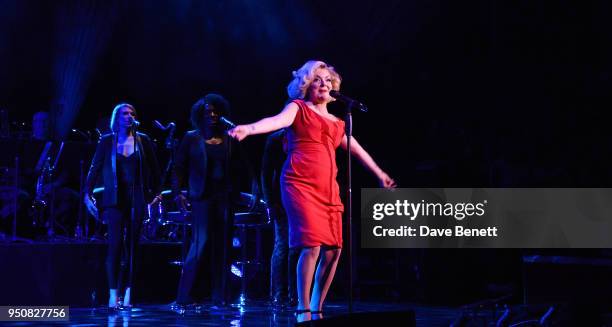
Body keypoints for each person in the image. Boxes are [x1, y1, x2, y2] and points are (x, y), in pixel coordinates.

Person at [229, 60, 396, 322]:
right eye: (317, 79)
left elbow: (356, 148)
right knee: (312, 246)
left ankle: (318, 307)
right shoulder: (298, 109)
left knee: (334, 249)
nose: (323, 84)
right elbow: (274, 121)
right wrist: (248, 129)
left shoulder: (337, 122)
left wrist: (379, 173)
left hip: (328, 188)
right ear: (305, 85)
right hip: (299, 183)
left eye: (328, 80)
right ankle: (303, 309)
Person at [84, 103, 161, 309]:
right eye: (124, 113)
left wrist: (157, 194)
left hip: (137, 198)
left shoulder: (142, 140)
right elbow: (94, 168)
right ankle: (112, 294)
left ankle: (128, 291)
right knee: (115, 244)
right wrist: (87, 193)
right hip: (114, 200)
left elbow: (155, 170)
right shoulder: (107, 140)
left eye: (132, 113)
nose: (129, 116)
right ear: (116, 118)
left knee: (133, 247)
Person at [172, 94, 234, 308]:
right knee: (200, 243)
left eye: (216, 111)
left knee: (222, 247)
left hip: (224, 197)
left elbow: (244, 165)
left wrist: (254, 191)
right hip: (201, 197)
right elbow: (178, 167)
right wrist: (178, 192)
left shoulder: (228, 137)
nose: (213, 115)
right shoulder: (192, 137)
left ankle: (220, 296)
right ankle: (183, 295)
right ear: (200, 114)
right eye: (208, 111)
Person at [261, 129, 299, 309]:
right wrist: (270, 202)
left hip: (303, 199)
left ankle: (295, 294)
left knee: (298, 247)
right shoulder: (276, 139)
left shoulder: (306, 135)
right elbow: (266, 174)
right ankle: (278, 294)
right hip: (281, 199)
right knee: (283, 245)